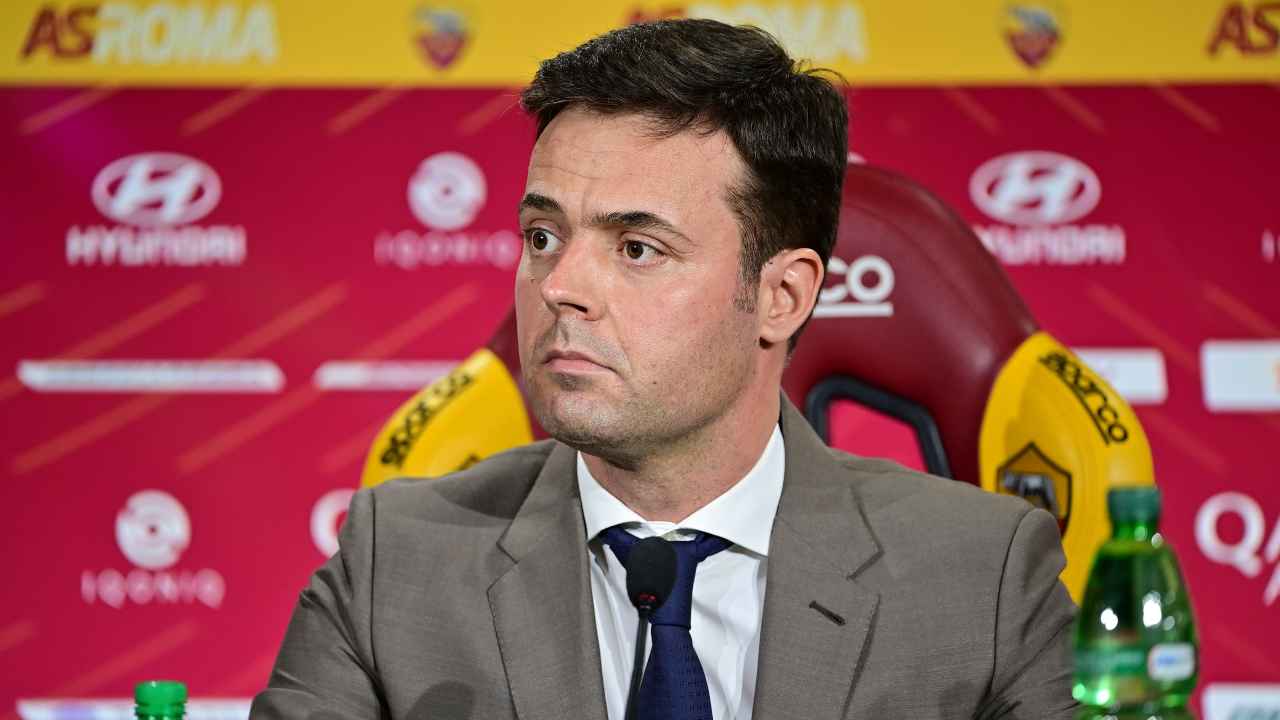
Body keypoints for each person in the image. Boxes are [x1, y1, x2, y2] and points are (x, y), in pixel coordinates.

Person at [251, 19, 1077, 720]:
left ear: (782, 296)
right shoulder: (394, 565)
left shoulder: (984, 579)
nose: (560, 287)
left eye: (638, 248)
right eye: (542, 237)